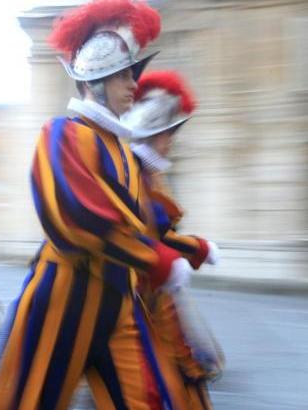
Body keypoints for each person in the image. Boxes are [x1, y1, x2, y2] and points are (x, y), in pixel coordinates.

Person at [0, 1, 195, 409]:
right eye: (121, 74)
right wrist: (156, 259)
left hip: (118, 300)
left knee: (154, 400)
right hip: (65, 297)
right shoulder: (63, 133)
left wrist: (181, 248)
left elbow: (143, 219)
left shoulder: (121, 148)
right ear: (93, 79)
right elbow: (79, 217)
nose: (133, 82)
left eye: (131, 72)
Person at [122, 70, 223, 409]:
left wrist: (199, 248)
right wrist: (172, 259)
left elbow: (164, 233)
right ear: (151, 134)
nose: (171, 142)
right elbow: (134, 236)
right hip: (132, 297)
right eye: (167, 134)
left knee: (182, 376)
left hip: (158, 295)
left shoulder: (152, 174)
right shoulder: (132, 174)